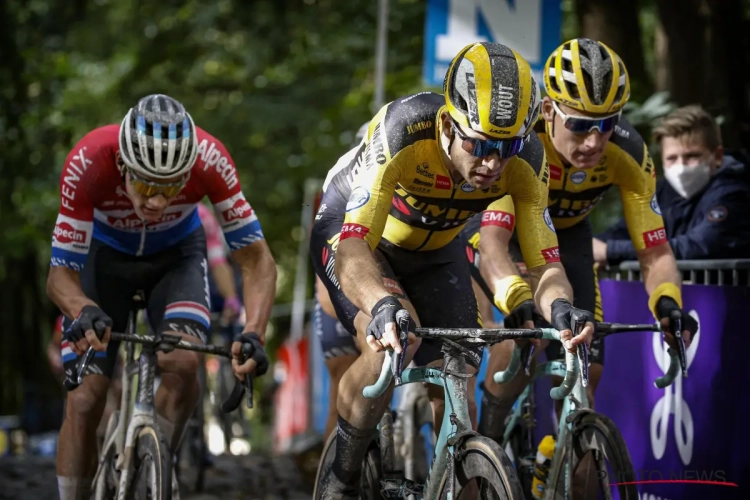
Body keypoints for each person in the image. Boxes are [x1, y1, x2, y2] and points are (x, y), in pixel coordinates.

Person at [311, 42, 597, 498]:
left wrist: (561, 306)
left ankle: (458, 473)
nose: (491, 163)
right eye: (479, 144)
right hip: (357, 237)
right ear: (447, 124)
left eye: (507, 147)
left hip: (437, 248)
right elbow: (353, 247)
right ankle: (339, 480)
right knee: (394, 345)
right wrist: (382, 304)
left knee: (461, 369)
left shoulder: (528, 162)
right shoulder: (404, 128)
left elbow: (545, 265)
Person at [460, 38, 698, 446]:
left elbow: (655, 251)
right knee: (525, 340)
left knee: (588, 367)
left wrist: (668, 302)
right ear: (550, 111)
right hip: (504, 232)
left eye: (606, 124)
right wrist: (519, 298)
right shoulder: (521, 144)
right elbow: (494, 246)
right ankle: (489, 449)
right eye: (581, 125)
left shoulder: (628, 152)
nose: (593, 141)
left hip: (568, 234)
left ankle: (565, 460)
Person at [47, 94, 276, 500]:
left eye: (172, 186)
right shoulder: (89, 160)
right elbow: (60, 275)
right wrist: (82, 308)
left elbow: (256, 260)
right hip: (104, 261)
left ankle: (157, 472)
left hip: (176, 259)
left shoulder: (211, 159)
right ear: (122, 165)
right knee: (85, 399)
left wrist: (254, 330)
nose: (157, 200)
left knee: (183, 360)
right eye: (146, 184)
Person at [595, 104, 750, 263]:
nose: (681, 167)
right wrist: (589, 247)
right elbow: (626, 230)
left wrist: (610, 251)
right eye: (672, 158)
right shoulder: (663, 191)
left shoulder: (734, 194)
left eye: (692, 156)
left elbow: (698, 246)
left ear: (717, 156)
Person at [312, 123, 369, 440]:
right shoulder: (339, 193)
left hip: (379, 292)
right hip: (338, 301)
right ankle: (333, 479)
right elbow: (326, 287)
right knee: (343, 387)